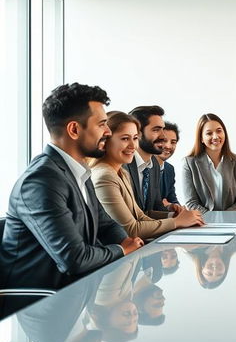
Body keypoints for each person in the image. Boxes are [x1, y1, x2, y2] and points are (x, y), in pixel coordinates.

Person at [0, 84, 143, 291]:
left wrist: (130, 244)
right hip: (40, 306)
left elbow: (106, 225)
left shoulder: (79, 172)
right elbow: (74, 258)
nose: (108, 131)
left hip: (75, 293)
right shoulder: (41, 181)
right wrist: (121, 250)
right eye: (102, 124)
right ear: (74, 129)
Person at [91, 111, 204, 240]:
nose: (133, 146)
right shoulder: (105, 176)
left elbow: (141, 216)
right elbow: (130, 229)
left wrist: (177, 218)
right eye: (125, 139)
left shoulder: (121, 173)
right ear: (105, 140)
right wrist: (177, 222)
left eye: (134, 138)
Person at [182, 113, 236, 212]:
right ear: (201, 138)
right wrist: (213, 220)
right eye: (209, 133)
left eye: (219, 131)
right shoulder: (189, 163)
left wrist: (225, 218)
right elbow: (191, 202)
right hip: (203, 222)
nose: (215, 136)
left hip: (232, 222)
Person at [124, 105, 180, 215]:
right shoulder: (123, 166)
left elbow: (155, 208)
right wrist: (176, 221)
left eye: (162, 129)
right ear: (137, 133)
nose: (163, 136)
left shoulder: (153, 164)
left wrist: (174, 213)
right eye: (156, 130)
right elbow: (133, 218)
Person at [159, 121, 180, 205]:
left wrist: (177, 207)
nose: (168, 146)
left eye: (173, 142)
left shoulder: (169, 169)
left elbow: (172, 199)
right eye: (164, 140)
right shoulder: (144, 168)